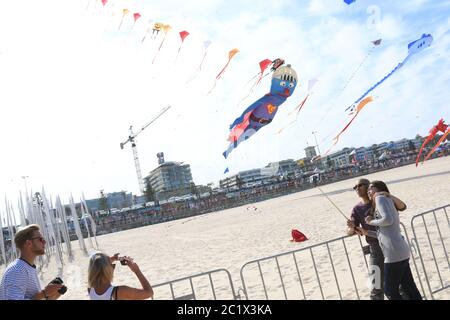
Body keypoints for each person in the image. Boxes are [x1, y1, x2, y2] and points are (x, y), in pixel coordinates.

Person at [346, 178, 407, 300]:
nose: (357, 188)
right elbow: (349, 232)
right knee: (376, 283)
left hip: (391, 245)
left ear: (368, 186)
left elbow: (403, 206)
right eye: (355, 187)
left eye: (360, 185)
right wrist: (351, 227)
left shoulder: (382, 199)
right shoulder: (357, 209)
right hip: (375, 248)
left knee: (400, 282)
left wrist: (387, 194)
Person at [365, 180, 422, 300]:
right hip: (400, 249)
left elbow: (388, 220)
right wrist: (367, 232)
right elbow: (386, 231)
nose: (368, 191)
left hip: (394, 253)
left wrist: (371, 221)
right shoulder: (386, 200)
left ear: (380, 189)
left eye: (371, 188)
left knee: (390, 291)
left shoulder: (380, 198)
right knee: (409, 287)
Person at [0, 224, 64, 300]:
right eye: (40, 239)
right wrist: (44, 293)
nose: (44, 242)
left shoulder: (27, 267)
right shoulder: (17, 270)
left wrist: (48, 297)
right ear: (28, 243)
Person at [88, 252, 153, 300]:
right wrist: (137, 271)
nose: (113, 268)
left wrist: (113, 259)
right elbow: (149, 293)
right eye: (113, 266)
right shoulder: (119, 291)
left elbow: (97, 265)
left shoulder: (91, 290)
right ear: (107, 271)